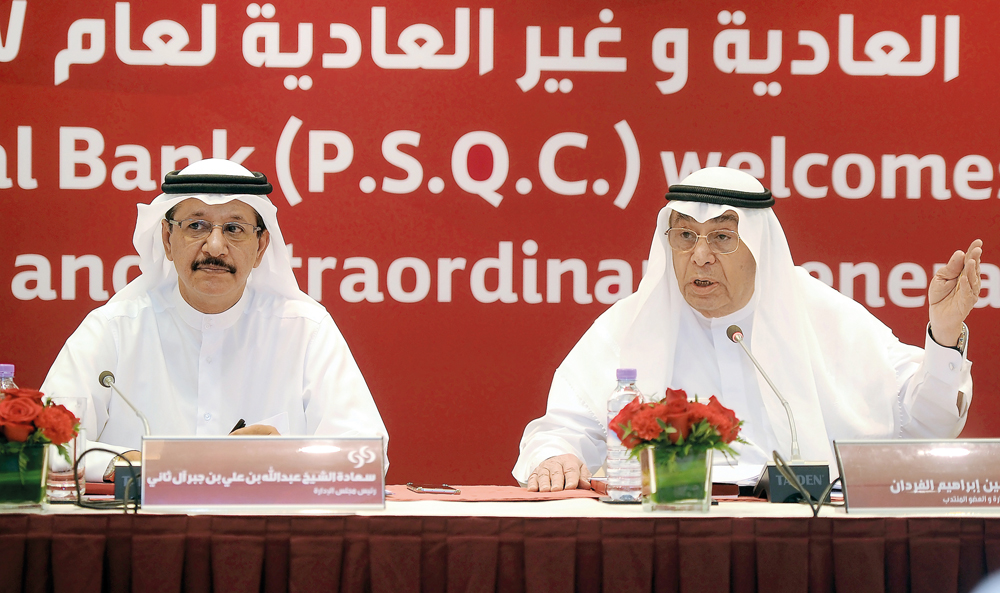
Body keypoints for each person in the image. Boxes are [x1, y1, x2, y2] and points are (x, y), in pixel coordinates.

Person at [514, 167, 981, 492]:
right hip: (668, 530)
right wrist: (555, 457)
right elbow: (561, 431)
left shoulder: (823, 315)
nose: (699, 257)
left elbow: (927, 423)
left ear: (758, 246)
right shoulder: (630, 325)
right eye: (685, 236)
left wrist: (944, 335)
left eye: (722, 237)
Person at [41, 159, 388, 481]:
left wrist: (287, 457)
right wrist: (131, 463)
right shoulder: (113, 329)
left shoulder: (305, 331)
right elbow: (42, 444)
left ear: (261, 246)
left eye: (234, 228)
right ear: (167, 239)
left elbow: (367, 456)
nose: (215, 247)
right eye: (196, 226)